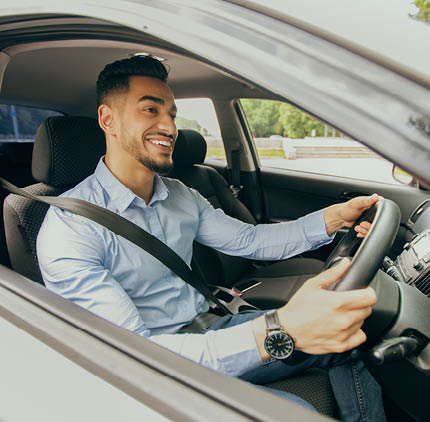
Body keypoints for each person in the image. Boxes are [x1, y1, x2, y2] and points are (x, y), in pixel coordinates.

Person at [37, 56, 385, 421]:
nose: (169, 126)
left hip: (211, 325)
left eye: (171, 114)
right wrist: (275, 330)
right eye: (150, 109)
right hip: (159, 367)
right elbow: (137, 354)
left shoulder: (180, 195)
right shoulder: (71, 227)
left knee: (345, 336)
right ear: (108, 120)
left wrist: (332, 219)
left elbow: (251, 241)